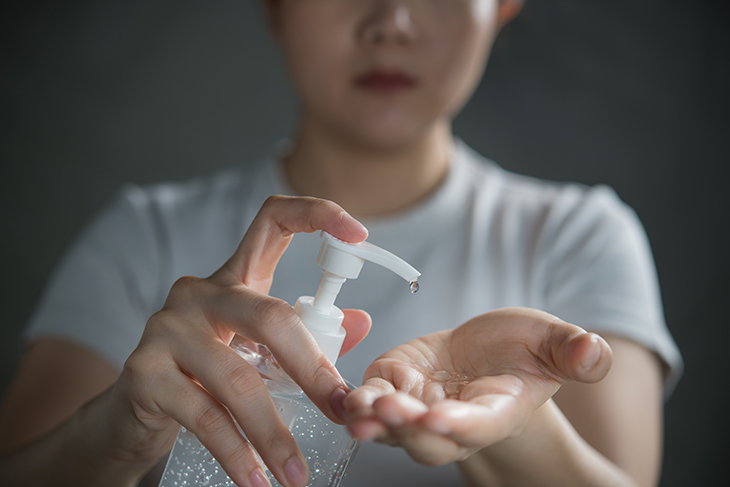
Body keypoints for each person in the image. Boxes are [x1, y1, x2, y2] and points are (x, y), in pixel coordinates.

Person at [0, 1, 681, 486]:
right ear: (273, 8)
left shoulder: (578, 238)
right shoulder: (144, 236)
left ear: (503, 6)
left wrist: (517, 425)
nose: (392, 22)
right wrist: (116, 431)